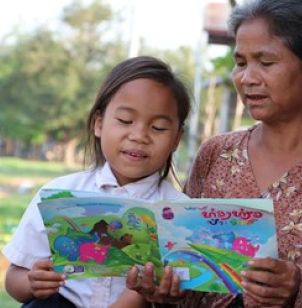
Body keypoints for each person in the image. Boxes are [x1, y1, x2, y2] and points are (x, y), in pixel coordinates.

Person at [124, 0, 302, 308]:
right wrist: (167, 290)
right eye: (240, 62)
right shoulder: (216, 155)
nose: (247, 78)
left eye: (266, 62)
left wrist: (301, 286)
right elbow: (189, 270)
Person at [2, 55, 192, 308]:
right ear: (99, 124)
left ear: (177, 138)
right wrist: (32, 282)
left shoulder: (181, 214)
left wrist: (154, 294)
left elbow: (183, 292)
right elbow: (14, 279)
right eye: (125, 121)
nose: (139, 136)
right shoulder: (59, 195)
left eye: (157, 127)